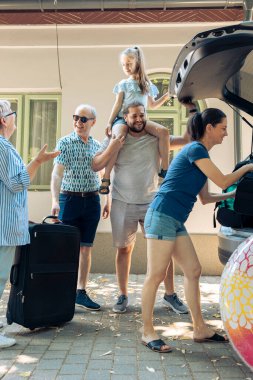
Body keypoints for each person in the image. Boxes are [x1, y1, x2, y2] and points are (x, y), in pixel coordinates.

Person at [141, 107, 253, 353]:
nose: (225, 134)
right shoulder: (195, 149)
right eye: (223, 128)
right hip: (161, 215)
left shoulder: (201, 158)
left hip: (174, 219)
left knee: (193, 269)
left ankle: (200, 328)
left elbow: (206, 197)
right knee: (156, 275)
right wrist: (247, 168)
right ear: (209, 128)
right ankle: (147, 331)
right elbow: (223, 179)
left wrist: (238, 193)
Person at [92, 101, 189, 314]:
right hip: (122, 202)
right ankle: (123, 295)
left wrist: (191, 109)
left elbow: (186, 139)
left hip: (152, 202)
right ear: (125, 118)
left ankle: (170, 294)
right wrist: (112, 146)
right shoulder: (116, 137)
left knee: (164, 249)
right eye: (133, 116)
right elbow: (95, 164)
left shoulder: (156, 137)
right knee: (123, 249)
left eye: (142, 115)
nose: (138, 120)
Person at [51, 104, 123, 312]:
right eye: (76, 117)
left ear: (93, 122)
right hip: (69, 200)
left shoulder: (97, 145)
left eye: (83, 119)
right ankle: (62, 291)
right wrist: (55, 200)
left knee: (86, 247)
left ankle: (80, 292)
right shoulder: (64, 142)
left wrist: (107, 199)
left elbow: (102, 175)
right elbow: (57, 174)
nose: (78, 122)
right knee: (67, 248)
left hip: (91, 201)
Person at [0, 99, 60, 348]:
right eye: (13, 113)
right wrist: (37, 161)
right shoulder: (2, 147)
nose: (15, 118)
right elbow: (16, 183)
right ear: (4, 120)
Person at [99, 46, 170, 195]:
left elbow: (152, 105)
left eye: (129, 63)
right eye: (124, 64)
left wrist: (166, 96)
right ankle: (106, 177)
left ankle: (164, 171)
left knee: (164, 132)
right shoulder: (124, 84)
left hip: (140, 120)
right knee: (118, 138)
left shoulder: (146, 85)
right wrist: (110, 122)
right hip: (122, 119)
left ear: (138, 62)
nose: (126, 67)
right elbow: (118, 104)